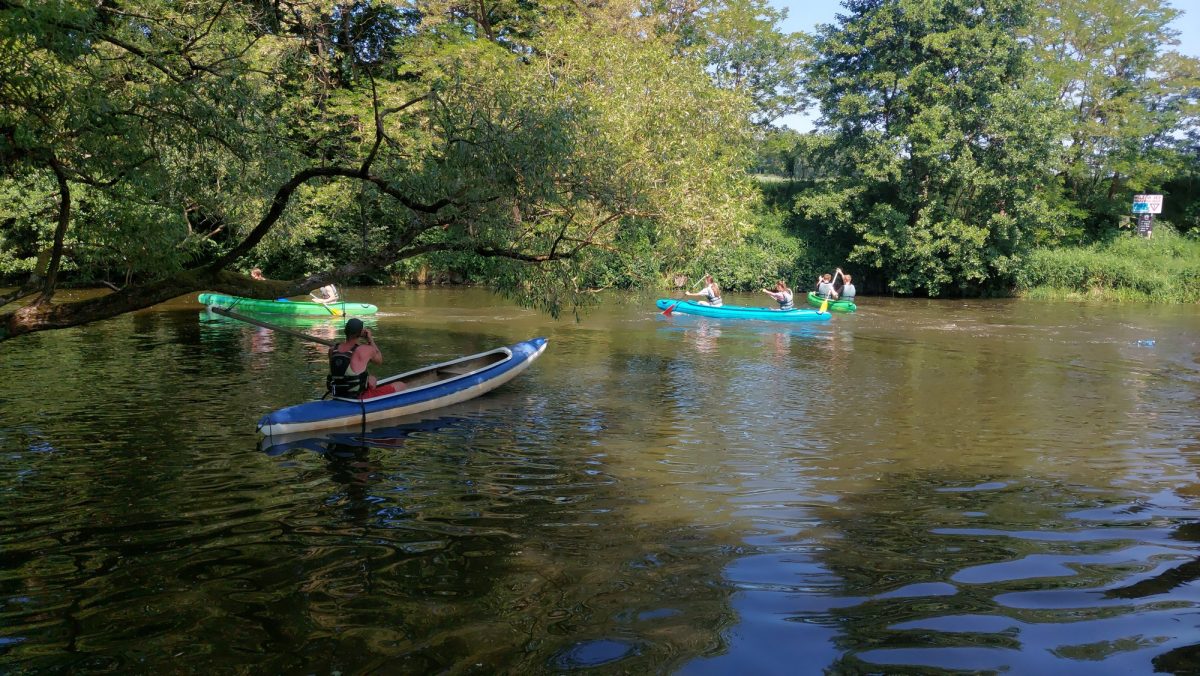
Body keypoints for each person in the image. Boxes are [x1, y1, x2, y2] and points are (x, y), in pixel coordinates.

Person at [327, 318, 383, 397]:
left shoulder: (332, 350)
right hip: (355, 396)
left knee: (371, 378)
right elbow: (379, 360)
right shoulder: (364, 350)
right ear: (361, 333)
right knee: (399, 385)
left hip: (337, 393)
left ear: (345, 331)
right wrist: (370, 339)